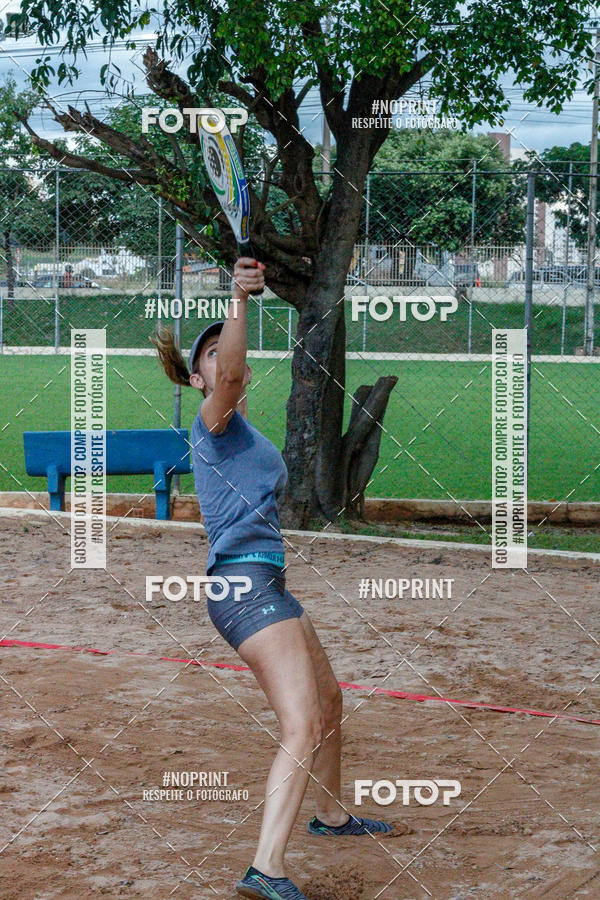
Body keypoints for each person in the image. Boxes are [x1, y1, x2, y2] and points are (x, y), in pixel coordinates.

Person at [153, 257, 391, 900]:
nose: (221, 358)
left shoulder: (240, 429)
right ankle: (267, 867)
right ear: (200, 376)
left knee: (330, 702)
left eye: (220, 347)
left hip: (266, 585)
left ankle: (333, 814)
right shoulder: (214, 420)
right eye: (206, 355)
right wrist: (237, 297)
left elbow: (233, 367)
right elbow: (229, 369)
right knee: (302, 725)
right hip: (243, 588)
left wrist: (236, 311)